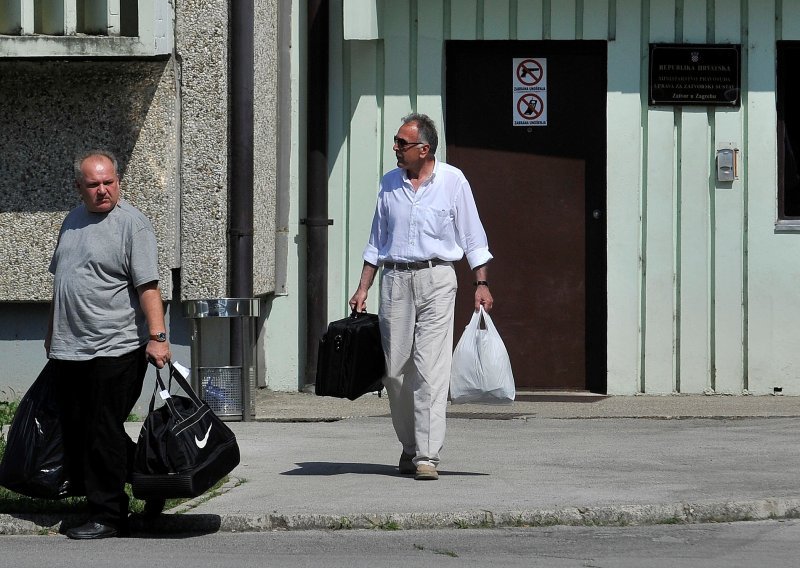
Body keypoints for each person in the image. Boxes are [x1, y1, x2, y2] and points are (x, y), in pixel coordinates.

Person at [349, 113, 494, 481]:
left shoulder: (453, 181)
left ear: (424, 149)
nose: (395, 148)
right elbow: (376, 242)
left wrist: (481, 283)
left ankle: (428, 455)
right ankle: (410, 446)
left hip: (438, 278)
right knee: (395, 371)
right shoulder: (389, 184)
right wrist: (363, 286)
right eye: (397, 142)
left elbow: (473, 236)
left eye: (402, 143)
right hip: (395, 279)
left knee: (431, 368)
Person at [45, 150, 171, 539]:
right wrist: (52, 332)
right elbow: (63, 280)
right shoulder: (72, 220)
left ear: (119, 181)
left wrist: (158, 337)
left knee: (101, 428)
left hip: (116, 346)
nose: (103, 190)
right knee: (85, 429)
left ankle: (109, 516)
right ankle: (151, 477)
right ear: (78, 188)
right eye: (94, 184)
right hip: (71, 348)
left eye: (109, 182)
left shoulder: (133, 225)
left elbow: (148, 287)